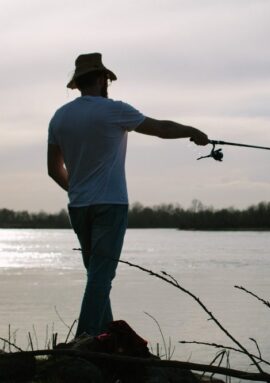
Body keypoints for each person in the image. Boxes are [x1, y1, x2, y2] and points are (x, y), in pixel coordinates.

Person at [47, 53, 209, 336]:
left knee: (97, 276)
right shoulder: (114, 110)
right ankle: (84, 340)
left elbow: (53, 168)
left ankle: (104, 336)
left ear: (78, 83)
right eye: (106, 79)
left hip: (78, 207)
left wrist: (75, 190)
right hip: (110, 205)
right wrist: (192, 131)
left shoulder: (60, 117)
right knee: (101, 276)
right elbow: (161, 128)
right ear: (101, 79)